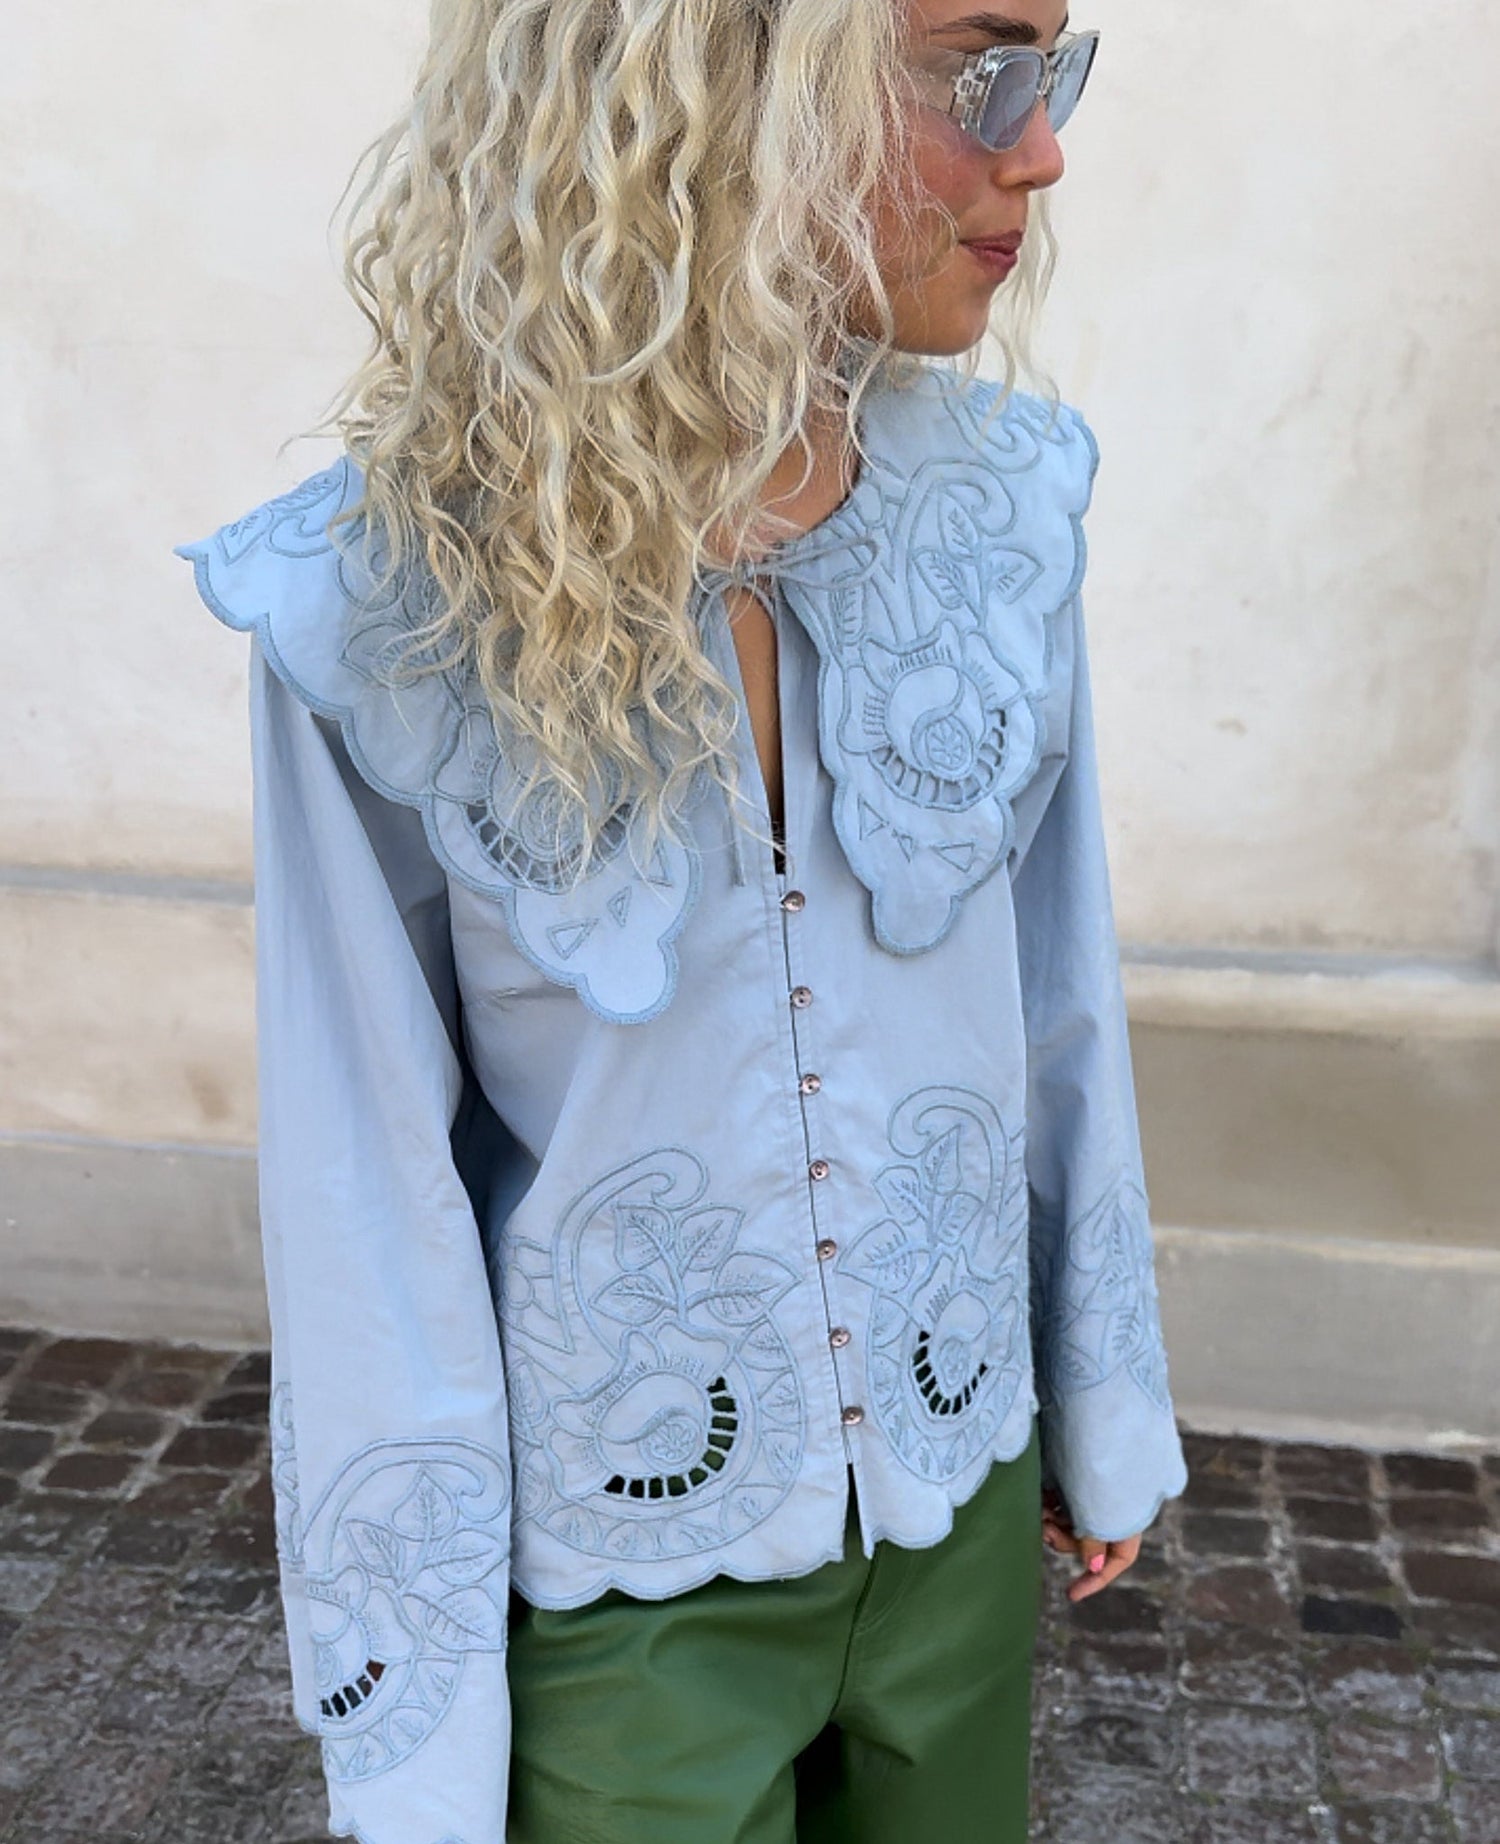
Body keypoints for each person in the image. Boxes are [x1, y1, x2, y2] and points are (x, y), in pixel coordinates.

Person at [175, 1, 1189, 1838]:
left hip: (958, 1517)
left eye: (1054, 69)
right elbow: (362, 1193)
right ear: (730, 75)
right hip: (627, 1598)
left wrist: (1097, 1402)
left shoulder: (1002, 520)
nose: (1040, 149)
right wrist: (419, 1747)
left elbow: (1058, 994)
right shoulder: (381, 607)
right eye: (980, 67)